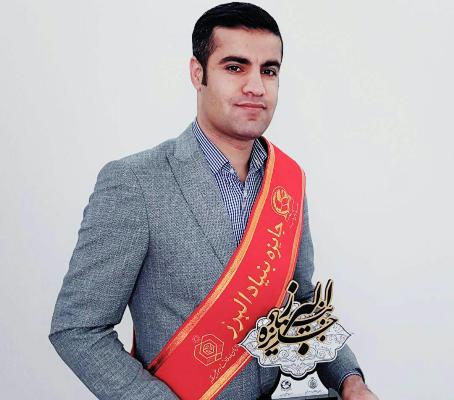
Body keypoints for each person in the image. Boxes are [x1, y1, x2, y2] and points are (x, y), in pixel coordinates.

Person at [49, 2, 377, 399]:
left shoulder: (288, 181)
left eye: (269, 70)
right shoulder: (135, 183)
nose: (256, 86)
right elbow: (77, 329)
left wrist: (349, 380)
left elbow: (301, 302)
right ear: (197, 73)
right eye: (235, 67)